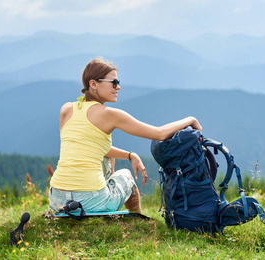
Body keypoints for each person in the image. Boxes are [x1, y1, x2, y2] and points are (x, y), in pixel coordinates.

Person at [49, 57, 202, 214]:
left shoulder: (66, 109)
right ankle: (138, 220)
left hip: (57, 200)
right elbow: (159, 134)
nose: (118, 87)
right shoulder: (109, 114)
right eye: (114, 82)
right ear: (93, 84)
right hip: (91, 202)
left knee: (108, 157)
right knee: (126, 175)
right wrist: (190, 120)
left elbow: (89, 147)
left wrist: (130, 155)